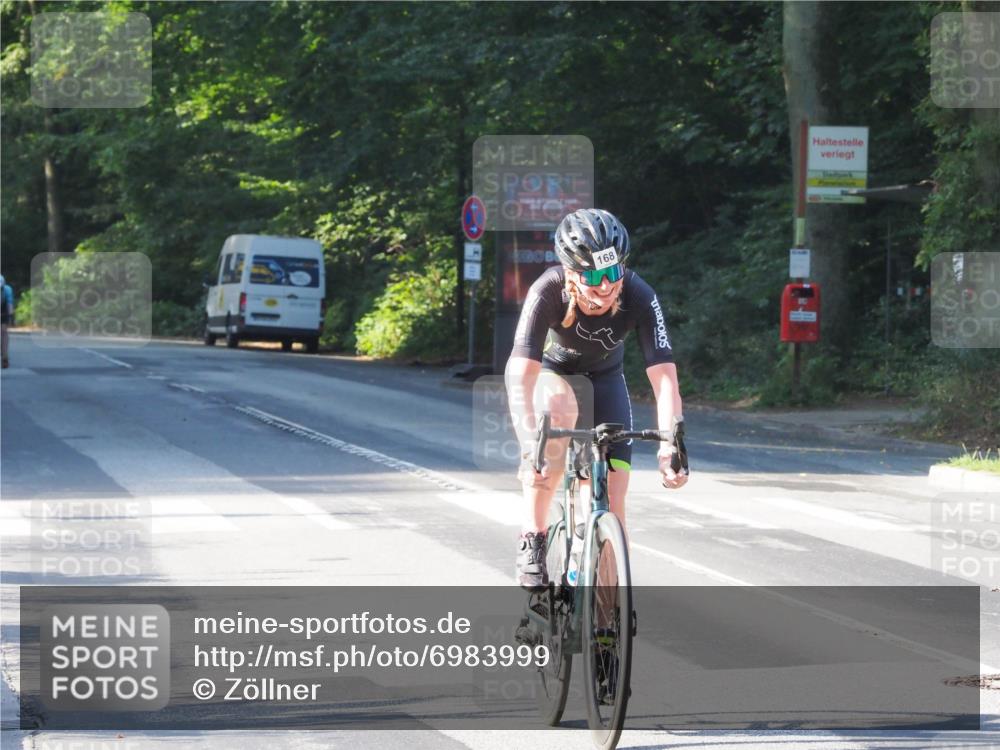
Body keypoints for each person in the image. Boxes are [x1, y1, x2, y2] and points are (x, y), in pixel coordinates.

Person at [505, 208, 688, 589]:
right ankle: (533, 536)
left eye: (612, 273)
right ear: (571, 273)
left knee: (612, 512)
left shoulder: (639, 294)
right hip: (555, 376)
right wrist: (528, 445)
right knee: (559, 411)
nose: (605, 287)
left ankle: (604, 624)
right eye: (593, 277)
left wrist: (671, 446)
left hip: (606, 382)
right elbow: (519, 374)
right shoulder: (546, 290)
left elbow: (665, 379)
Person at [1, 274, 13, 369]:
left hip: (3, 309)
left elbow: (9, 305)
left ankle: (5, 357)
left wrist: (10, 317)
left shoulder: (7, 290)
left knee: (4, 331)